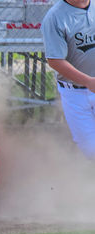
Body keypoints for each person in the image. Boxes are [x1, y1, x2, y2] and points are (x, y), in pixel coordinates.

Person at [41, 0, 95, 159]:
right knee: (91, 151)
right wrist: (88, 81)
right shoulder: (55, 17)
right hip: (75, 95)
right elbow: (55, 60)